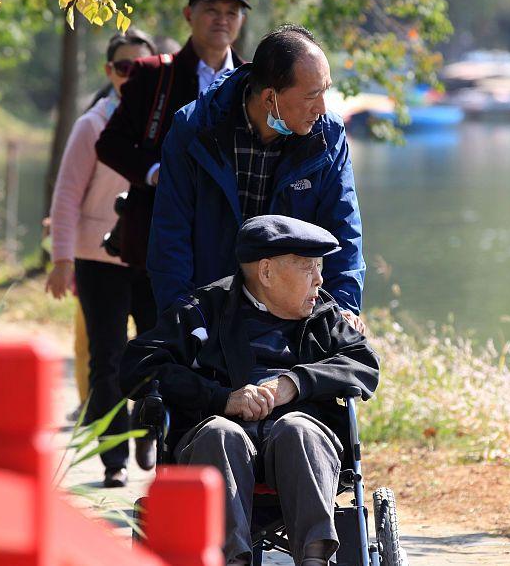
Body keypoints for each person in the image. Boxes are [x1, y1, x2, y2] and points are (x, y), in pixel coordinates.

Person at [120, 215, 380, 566]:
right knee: (220, 432)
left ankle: (316, 559)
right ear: (267, 272)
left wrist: (294, 384)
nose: (320, 280)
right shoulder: (202, 311)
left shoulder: (323, 316)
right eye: (308, 269)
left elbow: (364, 362)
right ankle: (231, 560)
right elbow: (137, 365)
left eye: (319, 268)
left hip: (298, 440)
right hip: (217, 440)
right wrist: (220, 398)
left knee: (297, 429)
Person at [149, 24, 367, 334]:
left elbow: (344, 230)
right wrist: (184, 320)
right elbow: (170, 235)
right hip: (209, 309)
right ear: (269, 99)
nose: (322, 107)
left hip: (291, 309)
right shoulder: (194, 129)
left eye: (325, 90)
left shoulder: (327, 135)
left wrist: (343, 307)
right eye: (311, 95)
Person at [45, 28, 157, 488]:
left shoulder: (167, 122)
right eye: (123, 67)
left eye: (142, 68)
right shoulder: (92, 125)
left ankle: (150, 430)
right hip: (98, 261)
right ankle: (114, 459)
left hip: (151, 259)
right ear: (110, 72)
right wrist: (62, 259)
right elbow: (67, 196)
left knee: (156, 353)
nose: (132, 76)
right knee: (106, 359)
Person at [94, 0, 250, 274]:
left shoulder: (251, 81)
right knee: (156, 322)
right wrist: (156, 173)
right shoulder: (153, 75)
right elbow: (110, 145)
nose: (223, 20)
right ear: (189, 14)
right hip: (158, 237)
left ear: (241, 20)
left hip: (227, 244)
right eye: (212, 10)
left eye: (232, 12)